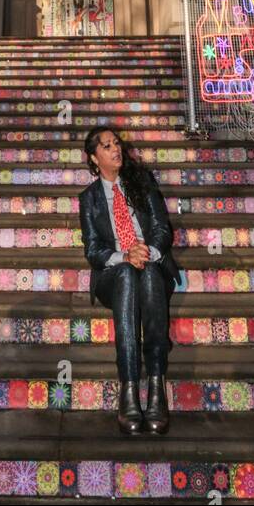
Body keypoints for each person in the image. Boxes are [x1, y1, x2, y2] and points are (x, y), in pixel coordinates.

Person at [78, 127, 180, 435]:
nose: (116, 149)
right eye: (107, 146)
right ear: (95, 159)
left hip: (149, 263)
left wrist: (147, 251)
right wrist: (125, 257)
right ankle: (129, 390)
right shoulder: (89, 199)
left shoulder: (142, 183)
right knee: (125, 273)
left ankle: (157, 389)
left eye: (117, 143)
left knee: (148, 272)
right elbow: (94, 250)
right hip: (114, 275)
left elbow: (163, 229)